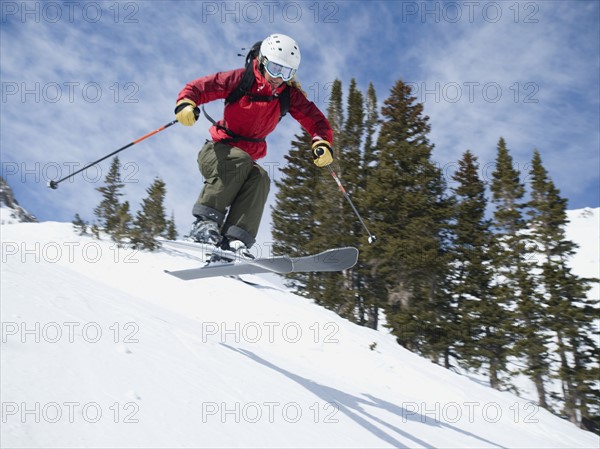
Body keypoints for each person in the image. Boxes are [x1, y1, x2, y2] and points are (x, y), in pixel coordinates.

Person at [175, 33, 334, 256]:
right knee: (239, 159)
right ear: (263, 61)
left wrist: (322, 142)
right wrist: (186, 104)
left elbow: (316, 121)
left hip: (245, 164)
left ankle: (234, 240)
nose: (279, 77)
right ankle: (205, 224)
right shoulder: (241, 80)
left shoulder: (288, 96)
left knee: (260, 177)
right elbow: (200, 87)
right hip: (217, 153)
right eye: (276, 69)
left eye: (286, 72)